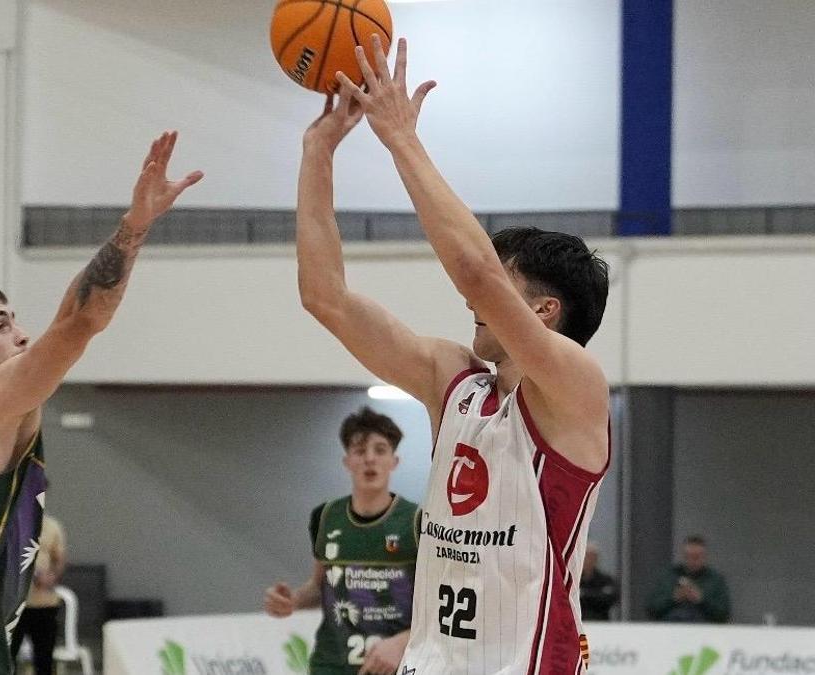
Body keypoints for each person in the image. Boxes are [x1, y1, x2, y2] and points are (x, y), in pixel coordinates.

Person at [298, 35, 611, 673]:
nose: (473, 301)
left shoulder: (577, 387)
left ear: (544, 311)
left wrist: (400, 137)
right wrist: (317, 154)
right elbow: (325, 298)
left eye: (504, 283)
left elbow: (475, 273)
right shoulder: (456, 383)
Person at [0, 131, 201, 675]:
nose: (21, 334)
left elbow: (67, 321)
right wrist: (134, 226)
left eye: (14, 320)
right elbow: (81, 320)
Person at [264, 408, 420, 675]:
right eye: (360, 451)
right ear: (347, 461)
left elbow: (436, 605)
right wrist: (294, 600)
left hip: (395, 664)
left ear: (394, 461)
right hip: (332, 665)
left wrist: (403, 642)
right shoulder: (325, 517)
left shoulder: (417, 521)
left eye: (380, 450)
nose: (370, 459)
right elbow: (321, 585)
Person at [9, 514, 66, 675]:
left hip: (43, 604)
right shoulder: (8, 524)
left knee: (44, 660)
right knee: (7, 659)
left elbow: (59, 559)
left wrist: (51, 577)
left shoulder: (51, 526)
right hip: (12, 606)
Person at [647, 536, 730, 623]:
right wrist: (674, 598)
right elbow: (651, 609)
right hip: (671, 626)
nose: (692, 561)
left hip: (703, 628)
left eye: (696, 557)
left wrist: (701, 600)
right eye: (688, 556)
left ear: (704, 557)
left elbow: (723, 614)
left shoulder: (715, 580)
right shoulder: (668, 577)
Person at [578, 545, 619, 622]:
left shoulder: (606, 580)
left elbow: (611, 599)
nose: (589, 561)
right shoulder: (575, 580)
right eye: (587, 557)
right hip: (580, 621)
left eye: (592, 557)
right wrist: (596, 595)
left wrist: (584, 594)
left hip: (601, 622)